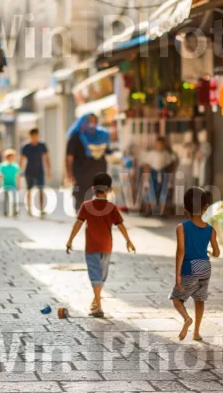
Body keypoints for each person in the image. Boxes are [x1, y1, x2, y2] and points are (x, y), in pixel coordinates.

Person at [66, 173, 135, 318]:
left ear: (93, 189)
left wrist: (70, 239)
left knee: (95, 275)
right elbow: (120, 225)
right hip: (106, 246)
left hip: (91, 247)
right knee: (102, 275)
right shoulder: (111, 207)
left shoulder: (86, 206)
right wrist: (128, 240)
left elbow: (78, 224)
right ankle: (96, 301)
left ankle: (98, 307)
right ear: (110, 190)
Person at [169, 187, 220, 341]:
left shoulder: (181, 228)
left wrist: (178, 276)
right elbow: (216, 253)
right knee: (200, 299)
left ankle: (186, 319)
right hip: (205, 266)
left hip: (189, 266)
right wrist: (209, 252)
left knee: (177, 299)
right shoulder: (211, 230)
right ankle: (196, 332)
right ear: (205, 208)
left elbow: (180, 252)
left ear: (185, 208)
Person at [66, 114, 110, 212]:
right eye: (89, 120)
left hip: (98, 171)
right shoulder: (76, 137)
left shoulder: (101, 136)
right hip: (80, 172)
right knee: (80, 193)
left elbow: (106, 152)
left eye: (94, 121)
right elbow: (69, 157)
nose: (92, 123)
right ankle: (80, 211)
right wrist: (69, 173)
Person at [20, 128, 51, 216]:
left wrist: (49, 170)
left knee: (41, 189)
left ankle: (41, 209)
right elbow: (22, 159)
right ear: (30, 136)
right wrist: (19, 171)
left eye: (36, 136)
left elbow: (47, 158)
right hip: (29, 171)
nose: (35, 138)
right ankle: (29, 209)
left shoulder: (42, 145)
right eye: (33, 137)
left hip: (40, 170)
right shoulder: (26, 146)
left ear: (38, 136)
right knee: (29, 190)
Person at [142, 137, 174, 216]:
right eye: (157, 144)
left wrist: (170, 180)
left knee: (164, 193)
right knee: (149, 193)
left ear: (163, 145)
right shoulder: (151, 154)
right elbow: (146, 166)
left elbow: (170, 165)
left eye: (161, 144)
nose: (159, 146)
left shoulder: (166, 154)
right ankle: (148, 211)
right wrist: (146, 180)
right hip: (152, 175)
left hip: (163, 174)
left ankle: (163, 212)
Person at [0, 149, 20, 217]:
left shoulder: (15, 166)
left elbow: (18, 176)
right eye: (9, 156)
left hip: (13, 184)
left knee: (15, 198)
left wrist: (19, 185)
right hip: (5, 184)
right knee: (6, 199)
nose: (11, 158)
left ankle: (15, 211)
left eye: (12, 156)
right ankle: (5, 211)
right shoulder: (2, 165)